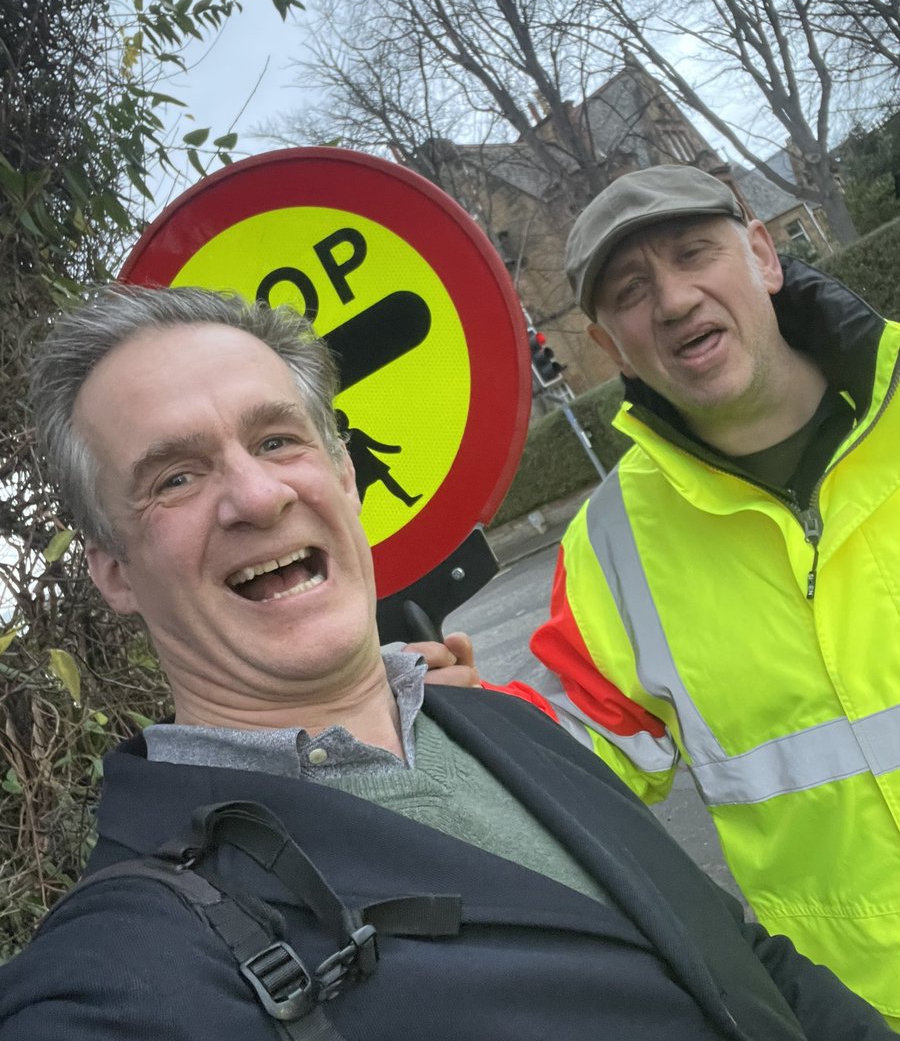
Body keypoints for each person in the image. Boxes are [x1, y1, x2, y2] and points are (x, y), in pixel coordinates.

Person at [0, 285, 890, 1041]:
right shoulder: (125, 967)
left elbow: (745, 958)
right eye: (175, 478)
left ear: (345, 477)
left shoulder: (503, 725)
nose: (258, 496)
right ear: (113, 570)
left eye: (278, 441)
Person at [526, 163, 900, 1027]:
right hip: (853, 1016)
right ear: (611, 343)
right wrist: (458, 726)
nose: (673, 299)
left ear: (764, 254)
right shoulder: (613, 543)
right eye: (631, 289)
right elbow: (572, 764)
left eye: (695, 252)